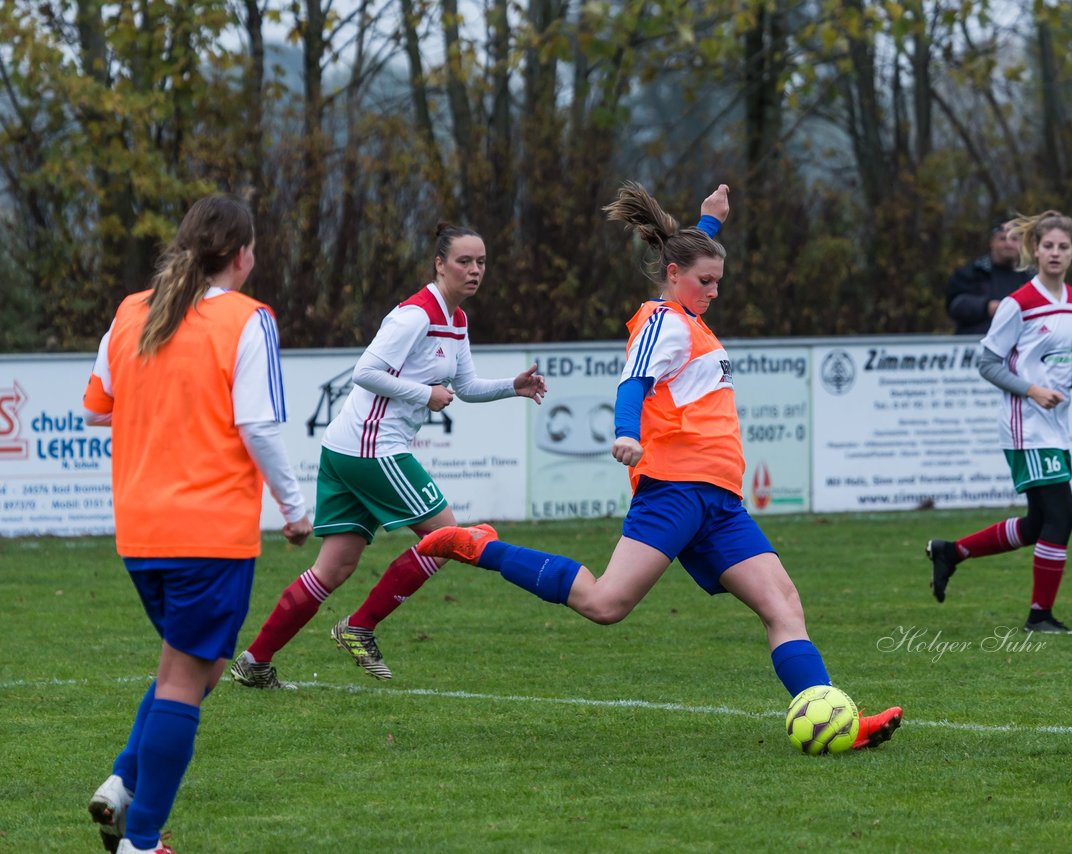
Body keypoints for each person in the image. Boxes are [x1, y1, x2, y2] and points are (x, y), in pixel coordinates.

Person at [417, 182, 903, 749]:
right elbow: (633, 382)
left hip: (719, 500)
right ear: (673, 276)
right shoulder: (663, 321)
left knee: (783, 604)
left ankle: (834, 720)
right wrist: (626, 434)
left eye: (719, 282)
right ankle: (477, 546)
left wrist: (709, 223)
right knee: (605, 604)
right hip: (673, 490)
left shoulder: (689, 315)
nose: (714, 292)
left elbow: (689, 256)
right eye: (706, 282)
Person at [82, 195, 312, 854]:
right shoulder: (248, 319)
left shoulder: (133, 311)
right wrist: (294, 509)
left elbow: (99, 409)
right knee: (189, 678)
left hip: (140, 531)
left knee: (194, 667)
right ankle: (142, 838)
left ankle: (123, 783)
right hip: (208, 532)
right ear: (241, 255)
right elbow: (259, 425)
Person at [229, 223, 547, 689]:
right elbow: (365, 372)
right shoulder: (415, 315)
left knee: (333, 568)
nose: (475, 270)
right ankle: (358, 627)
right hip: (370, 449)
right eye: (464, 261)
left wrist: (511, 388)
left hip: (347, 448)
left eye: (481, 262)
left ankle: (254, 662)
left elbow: (465, 388)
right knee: (448, 538)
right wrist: (424, 393)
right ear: (439, 264)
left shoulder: (456, 320)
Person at [925, 210, 1072, 634]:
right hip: (1026, 424)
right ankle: (1039, 616)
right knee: (1061, 516)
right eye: (1048, 245)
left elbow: (1063, 358)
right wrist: (1031, 390)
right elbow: (988, 363)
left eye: (1063, 247)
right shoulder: (1019, 303)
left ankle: (952, 552)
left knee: (1039, 523)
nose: (1055, 253)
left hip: (1055, 424)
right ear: (1035, 250)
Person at [945, 219, 1028, 335]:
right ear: (992, 242)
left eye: (1014, 239)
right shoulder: (972, 272)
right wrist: (986, 307)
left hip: (1018, 345)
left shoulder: (1030, 278)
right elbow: (955, 306)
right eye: (1003, 238)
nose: (1008, 244)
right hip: (975, 344)